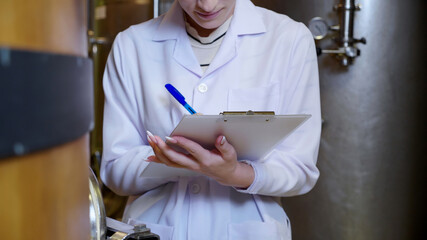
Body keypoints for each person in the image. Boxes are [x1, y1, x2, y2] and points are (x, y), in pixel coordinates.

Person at [101, 0, 321, 239]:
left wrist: (236, 173)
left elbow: (300, 169)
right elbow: (115, 171)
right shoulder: (131, 45)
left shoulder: (290, 39)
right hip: (156, 230)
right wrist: (172, 162)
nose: (207, 5)